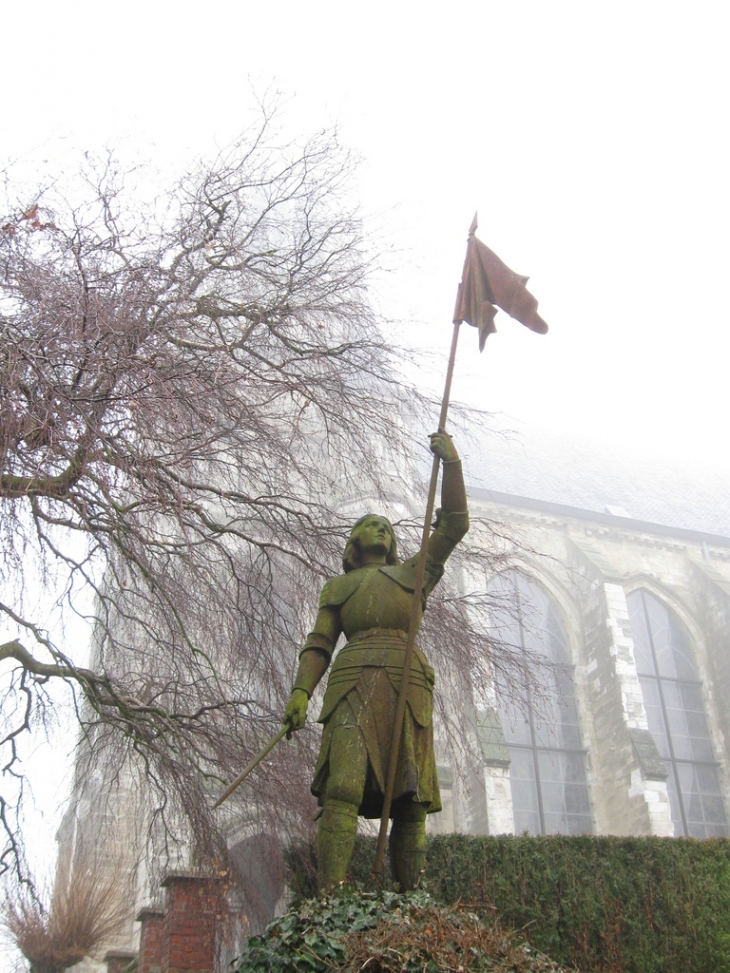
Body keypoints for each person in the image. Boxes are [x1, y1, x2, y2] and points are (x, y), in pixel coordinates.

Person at [283, 431, 469, 890]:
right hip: (351, 681)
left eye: (387, 524)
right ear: (354, 540)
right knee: (342, 787)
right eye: (371, 523)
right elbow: (319, 644)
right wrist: (301, 692)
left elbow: (454, 527)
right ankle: (331, 895)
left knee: (411, 798)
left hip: (407, 683)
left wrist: (452, 466)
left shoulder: (414, 575)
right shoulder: (337, 587)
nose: (382, 527)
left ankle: (412, 898)